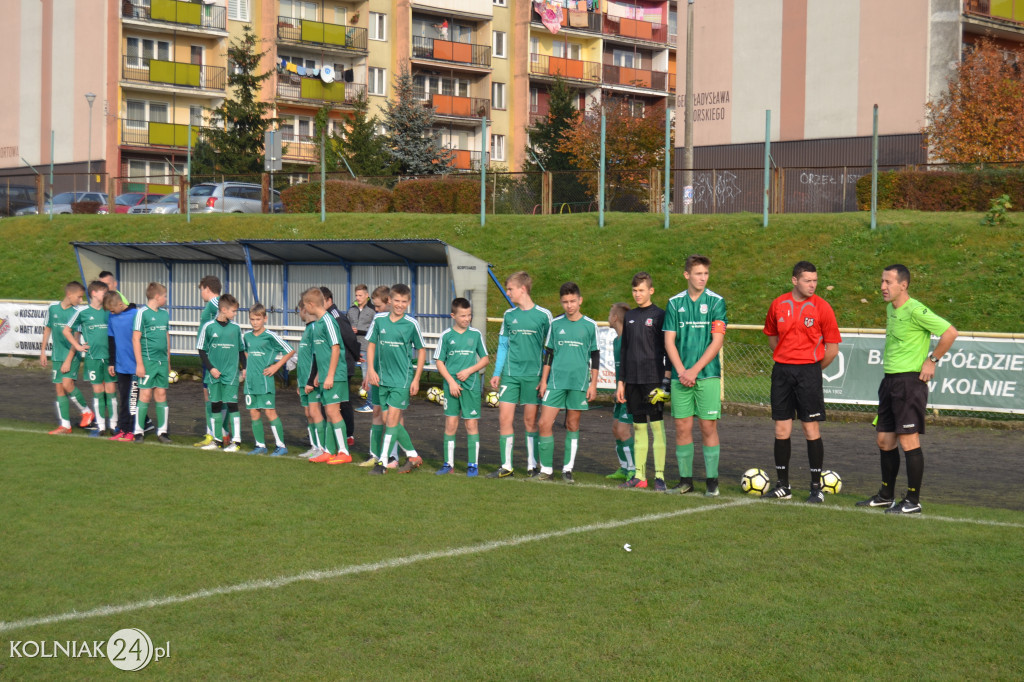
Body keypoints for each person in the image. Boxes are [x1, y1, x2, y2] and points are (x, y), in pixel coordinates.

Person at [857, 264, 958, 515]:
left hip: (909, 383)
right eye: (882, 281)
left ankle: (913, 501)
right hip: (890, 381)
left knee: (908, 441)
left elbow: (950, 332)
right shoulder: (892, 309)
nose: (882, 287)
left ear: (903, 285)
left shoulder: (915, 309)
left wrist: (931, 361)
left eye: (888, 282)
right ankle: (885, 496)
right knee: (884, 441)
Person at [762, 261, 842, 503]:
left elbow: (833, 348)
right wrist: (787, 360)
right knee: (781, 429)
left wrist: (812, 369)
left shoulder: (822, 307)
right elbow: (772, 337)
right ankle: (782, 486)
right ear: (794, 280)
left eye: (815, 280)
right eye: (808, 280)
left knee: (810, 429)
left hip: (809, 373)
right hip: (782, 372)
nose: (812, 285)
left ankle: (816, 487)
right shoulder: (778, 304)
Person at [663, 255, 727, 496]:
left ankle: (712, 483)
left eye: (706, 274)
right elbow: (669, 341)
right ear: (687, 275)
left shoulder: (716, 302)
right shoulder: (674, 303)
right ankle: (685, 481)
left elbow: (717, 340)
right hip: (682, 377)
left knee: (708, 426)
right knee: (681, 427)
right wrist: (682, 372)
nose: (703, 278)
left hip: (707, 375)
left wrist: (695, 370)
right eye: (698, 273)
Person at [489, 271, 553, 478]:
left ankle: (532, 465)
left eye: (510, 289)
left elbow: (551, 349)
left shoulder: (544, 315)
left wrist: (546, 378)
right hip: (510, 374)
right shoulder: (509, 315)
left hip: (533, 376)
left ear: (522, 289)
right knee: (504, 418)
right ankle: (506, 466)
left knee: (530, 421)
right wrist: (497, 372)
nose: (508, 293)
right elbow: (503, 345)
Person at [536, 282, 599, 484]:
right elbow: (549, 354)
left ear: (580, 300)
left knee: (572, 424)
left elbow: (595, 356)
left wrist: (593, 384)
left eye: (573, 301)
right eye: (565, 302)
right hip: (555, 382)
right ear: (561, 302)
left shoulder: (590, 325)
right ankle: (546, 469)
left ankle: (567, 469)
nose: (569, 305)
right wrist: (544, 380)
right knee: (544, 423)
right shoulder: (555, 324)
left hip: (579, 383)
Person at [366, 282, 426, 475]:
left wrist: (416, 379)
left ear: (408, 303)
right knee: (386, 419)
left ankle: (382, 463)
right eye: (397, 301)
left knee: (392, 420)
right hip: (382, 379)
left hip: (402, 380)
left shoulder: (411, 324)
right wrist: (371, 370)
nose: (400, 305)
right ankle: (413, 455)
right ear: (389, 300)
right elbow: (371, 345)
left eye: (404, 301)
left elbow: (422, 350)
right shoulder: (379, 320)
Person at [617, 272, 670, 490]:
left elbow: (669, 349)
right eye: (634, 290)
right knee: (638, 427)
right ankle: (640, 476)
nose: (637, 294)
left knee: (656, 427)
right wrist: (621, 382)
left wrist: (665, 381)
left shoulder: (660, 315)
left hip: (653, 380)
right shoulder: (629, 317)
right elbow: (624, 351)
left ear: (651, 290)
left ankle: (659, 476)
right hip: (633, 381)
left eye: (641, 290)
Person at [434, 297, 489, 476]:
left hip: (470, 386)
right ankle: (448, 463)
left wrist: (469, 371)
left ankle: (473, 464)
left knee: (471, 424)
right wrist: (451, 381)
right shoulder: (446, 336)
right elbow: (440, 362)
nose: (467, 319)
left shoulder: (475, 334)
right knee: (450, 423)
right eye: (463, 315)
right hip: (451, 387)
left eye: (469, 315)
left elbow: (485, 359)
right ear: (453, 315)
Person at [303, 287, 352, 464]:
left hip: (336, 375)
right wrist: (318, 375)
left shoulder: (329, 321)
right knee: (330, 413)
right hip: (325, 376)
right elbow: (321, 353)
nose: (304, 309)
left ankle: (344, 452)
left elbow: (336, 348)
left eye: (304, 305)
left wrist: (330, 375)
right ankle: (329, 450)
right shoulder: (318, 324)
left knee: (333, 412)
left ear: (310, 304)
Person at [64, 280, 116, 437]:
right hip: (93, 359)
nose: (106, 295)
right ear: (94, 293)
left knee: (111, 391)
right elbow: (66, 331)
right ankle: (100, 426)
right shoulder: (83, 312)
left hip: (109, 359)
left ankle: (113, 425)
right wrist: (78, 346)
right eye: (103, 292)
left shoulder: (109, 311)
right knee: (98, 391)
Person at [40, 281, 93, 434]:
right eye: (79, 297)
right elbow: (47, 328)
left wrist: (68, 360)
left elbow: (76, 339)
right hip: (57, 355)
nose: (81, 300)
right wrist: (43, 351)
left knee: (67, 385)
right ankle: (65, 425)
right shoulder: (53, 308)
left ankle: (86, 411)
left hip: (72, 354)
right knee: (59, 389)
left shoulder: (77, 312)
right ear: (69, 294)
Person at [243, 303, 295, 456]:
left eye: (258, 319)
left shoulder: (270, 336)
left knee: (270, 412)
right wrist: (248, 367)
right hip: (250, 381)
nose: (255, 322)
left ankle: (281, 446)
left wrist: (275, 366)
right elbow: (246, 352)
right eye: (252, 319)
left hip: (265, 381)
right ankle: (260, 445)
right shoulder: (246, 336)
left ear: (265, 318)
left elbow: (290, 350)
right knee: (253, 412)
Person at [197, 294, 245, 452]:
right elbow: (202, 350)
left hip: (231, 374)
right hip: (214, 374)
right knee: (215, 405)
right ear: (223, 310)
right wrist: (211, 368)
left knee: (232, 405)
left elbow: (240, 350)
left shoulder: (236, 328)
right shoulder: (209, 327)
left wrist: (243, 368)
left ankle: (236, 442)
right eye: (234, 311)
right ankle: (217, 440)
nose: (235, 314)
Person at [132, 282, 172, 444]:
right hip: (148, 362)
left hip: (162, 362)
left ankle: (162, 432)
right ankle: (138, 431)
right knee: (145, 394)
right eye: (164, 296)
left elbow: (167, 337)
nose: (166, 298)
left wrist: (169, 360)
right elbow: (135, 338)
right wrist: (139, 364)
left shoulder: (164, 314)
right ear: (157, 296)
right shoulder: (142, 313)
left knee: (161, 394)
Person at [321, 286, 361, 449]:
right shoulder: (325, 317)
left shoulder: (335, 316)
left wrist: (356, 355)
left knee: (342, 402)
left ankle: (348, 434)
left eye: (321, 302)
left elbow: (350, 338)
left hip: (342, 365)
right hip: (333, 365)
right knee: (335, 402)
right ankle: (334, 433)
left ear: (329, 300)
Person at [295, 301, 328, 460]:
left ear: (305, 309)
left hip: (311, 381)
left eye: (299, 311)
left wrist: (312, 379)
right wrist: (299, 382)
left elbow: (317, 355)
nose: (299, 314)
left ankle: (322, 447)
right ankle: (314, 446)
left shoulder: (315, 328)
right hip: (303, 380)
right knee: (309, 413)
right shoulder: (308, 329)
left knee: (315, 412)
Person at [104, 291, 138, 441]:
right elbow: (111, 340)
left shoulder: (136, 315)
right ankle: (123, 428)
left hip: (136, 366)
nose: (111, 312)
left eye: (112, 309)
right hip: (121, 365)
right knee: (123, 398)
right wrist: (112, 362)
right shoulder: (112, 317)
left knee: (133, 400)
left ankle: (133, 430)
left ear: (120, 304)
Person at [607, 302, 635, 481]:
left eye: (610, 313)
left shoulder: (629, 341)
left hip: (630, 393)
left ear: (615, 317)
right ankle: (624, 468)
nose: (608, 316)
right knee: (616, 429)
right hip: (621, 393)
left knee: (624, 430)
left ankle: (634, 470)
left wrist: (626, 389)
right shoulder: (616, 340)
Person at [194, 275, 222, 448]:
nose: (201, 294)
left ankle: (213, 434)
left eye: (201, 290)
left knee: (211, 395)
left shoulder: (214, 304)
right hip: (211, 355)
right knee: (214, 394)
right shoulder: (216, 304)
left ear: (207, 288)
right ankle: (219, 433)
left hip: (212, 357)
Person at [348, 283, 376, 413]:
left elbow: (375, 328)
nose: (358, 298)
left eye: (360, 295)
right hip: (352, 347)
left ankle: (370, 404)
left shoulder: (373, 310)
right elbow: (345, 325)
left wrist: (359, 331)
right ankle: (342, 399)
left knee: (367, 375)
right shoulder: (351, 309)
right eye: (356, 295)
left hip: (366, 346)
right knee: (346, 372)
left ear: (367, 295)